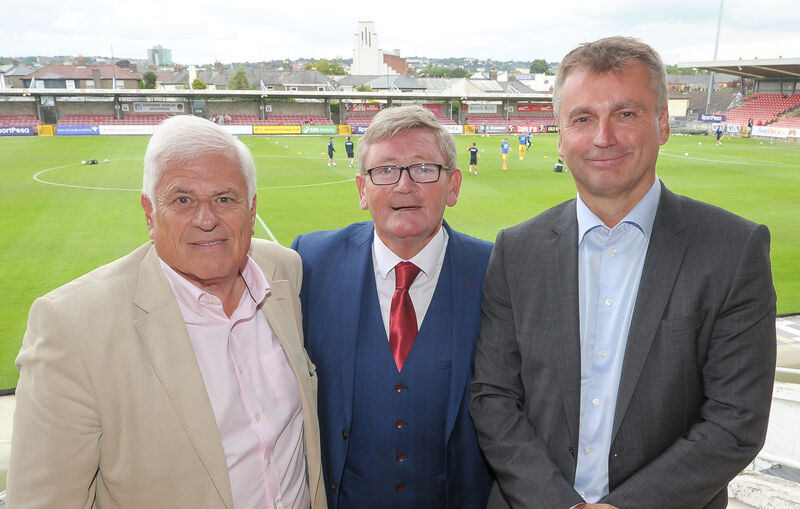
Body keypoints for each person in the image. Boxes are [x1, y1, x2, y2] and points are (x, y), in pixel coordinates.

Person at [470, 36, 776, 509]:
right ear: (561, 132)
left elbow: (736, 421)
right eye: (583, 118)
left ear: (664, 124)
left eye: (626, 114)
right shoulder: (517, 249)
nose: (603, 137)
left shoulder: (733, 249)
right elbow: (493, 398)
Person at [7, 115, 326, 509]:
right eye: (182, 200)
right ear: (148, 212)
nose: (206, 220)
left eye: (225, 199)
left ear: (252, 208)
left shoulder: (283, 271)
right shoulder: (72, 326)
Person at [292, 105, 493, 509]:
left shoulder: (496, 271)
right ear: (361, 190)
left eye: (423, 168)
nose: (404, 186)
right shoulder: (309, 262)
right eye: (384, 170)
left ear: (452, 186)